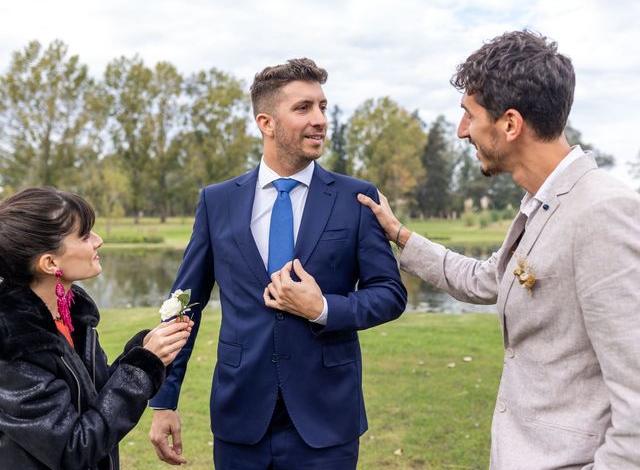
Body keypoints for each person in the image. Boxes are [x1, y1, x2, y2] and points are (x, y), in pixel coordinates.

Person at [359, 30, 640, 468]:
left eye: (469, 115)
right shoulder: (540, 204)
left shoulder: (603, 212)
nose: (460, 131)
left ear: (510, 124)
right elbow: (488, 279)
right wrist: (400, 234)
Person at [148, 58, 407, 469]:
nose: (320, 119)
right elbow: (185, 303)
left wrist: (323, 309)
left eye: (322, 106)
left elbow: (390, 295)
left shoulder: (355, 199)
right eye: (303, 108)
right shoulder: (217, 202)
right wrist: (164, 398)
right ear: (266, 123)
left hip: (327, 419)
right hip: (240, 417)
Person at [0, 187, 193, 470]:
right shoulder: (14, 342)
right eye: (84, 235)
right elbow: (73, 448)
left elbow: (94, 401)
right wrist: (143, 367)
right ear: (50, 262)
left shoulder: (70, 316)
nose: (98, 241)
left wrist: (144, 352)